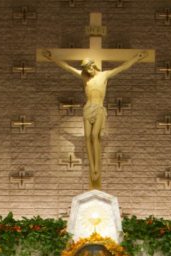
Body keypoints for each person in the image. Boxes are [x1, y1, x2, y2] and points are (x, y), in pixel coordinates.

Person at [41, 49, 147, 189]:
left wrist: (136, 58)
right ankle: (92, 167)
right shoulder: (85, 78)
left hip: (98, 109)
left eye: (89, 67)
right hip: (87, 109)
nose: (88, 70)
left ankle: (97, 166)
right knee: (87, 138)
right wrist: (53, 58)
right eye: (85, 69)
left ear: (94, 65)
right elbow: (67, 68)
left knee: (94, 136)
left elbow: (121, 68)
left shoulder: (104, 75)